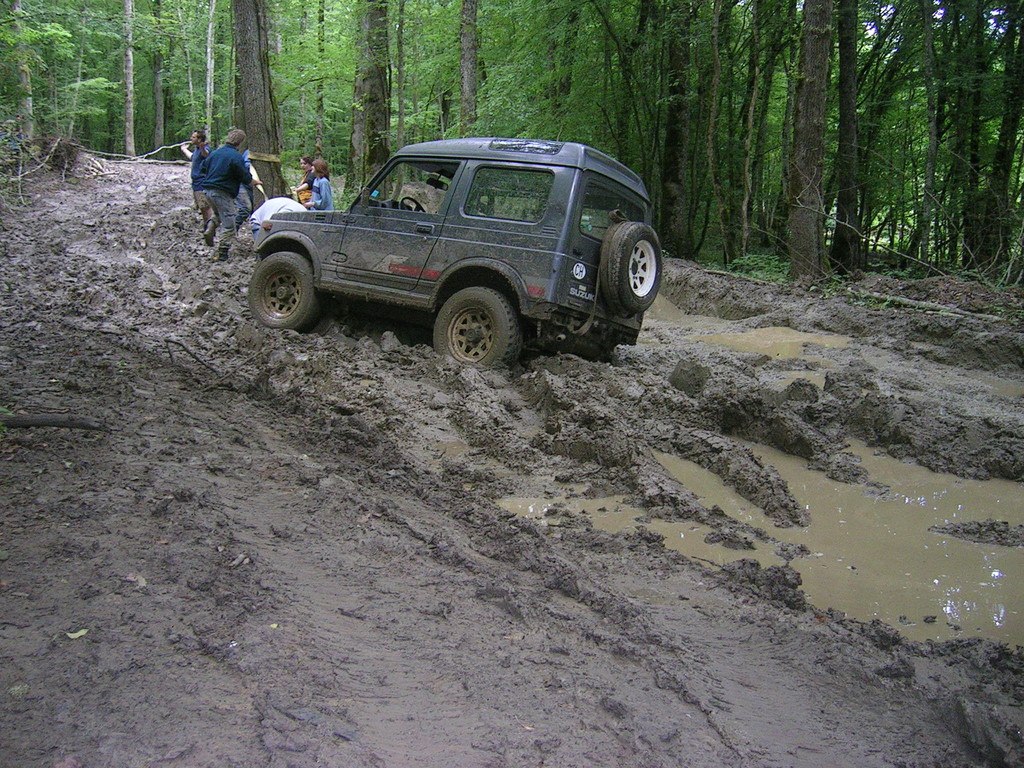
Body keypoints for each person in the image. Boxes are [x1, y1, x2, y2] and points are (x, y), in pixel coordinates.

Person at [199, 128, 252, 261]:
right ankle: (222, 253)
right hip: (222, 192)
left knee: (218, 213)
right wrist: (252, 181)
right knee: (229, 222)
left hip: (207, 190)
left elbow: (203, 167)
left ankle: (211, 226)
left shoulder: (215, 153)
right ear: (240, 143)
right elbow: (244, 175)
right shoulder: (235, 156)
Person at [180, 129, 214, 240]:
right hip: (195, 183)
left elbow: (206, 155)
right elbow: (192, 157)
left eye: (194, 137)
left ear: (199, 139)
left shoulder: (204, 148)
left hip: (202, 183)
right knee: (202, 207)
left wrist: (202, 147)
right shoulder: (196, 150)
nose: (191, 138)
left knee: (205, 207)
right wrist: (184, 150)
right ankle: (207, 227)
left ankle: (210, 228)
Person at [234, 148, 265, 233]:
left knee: (252, 209)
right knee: (246, 208)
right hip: (244, 183)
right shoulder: (250, 152)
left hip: (250, 184)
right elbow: (246, 166)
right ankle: (234, 227)